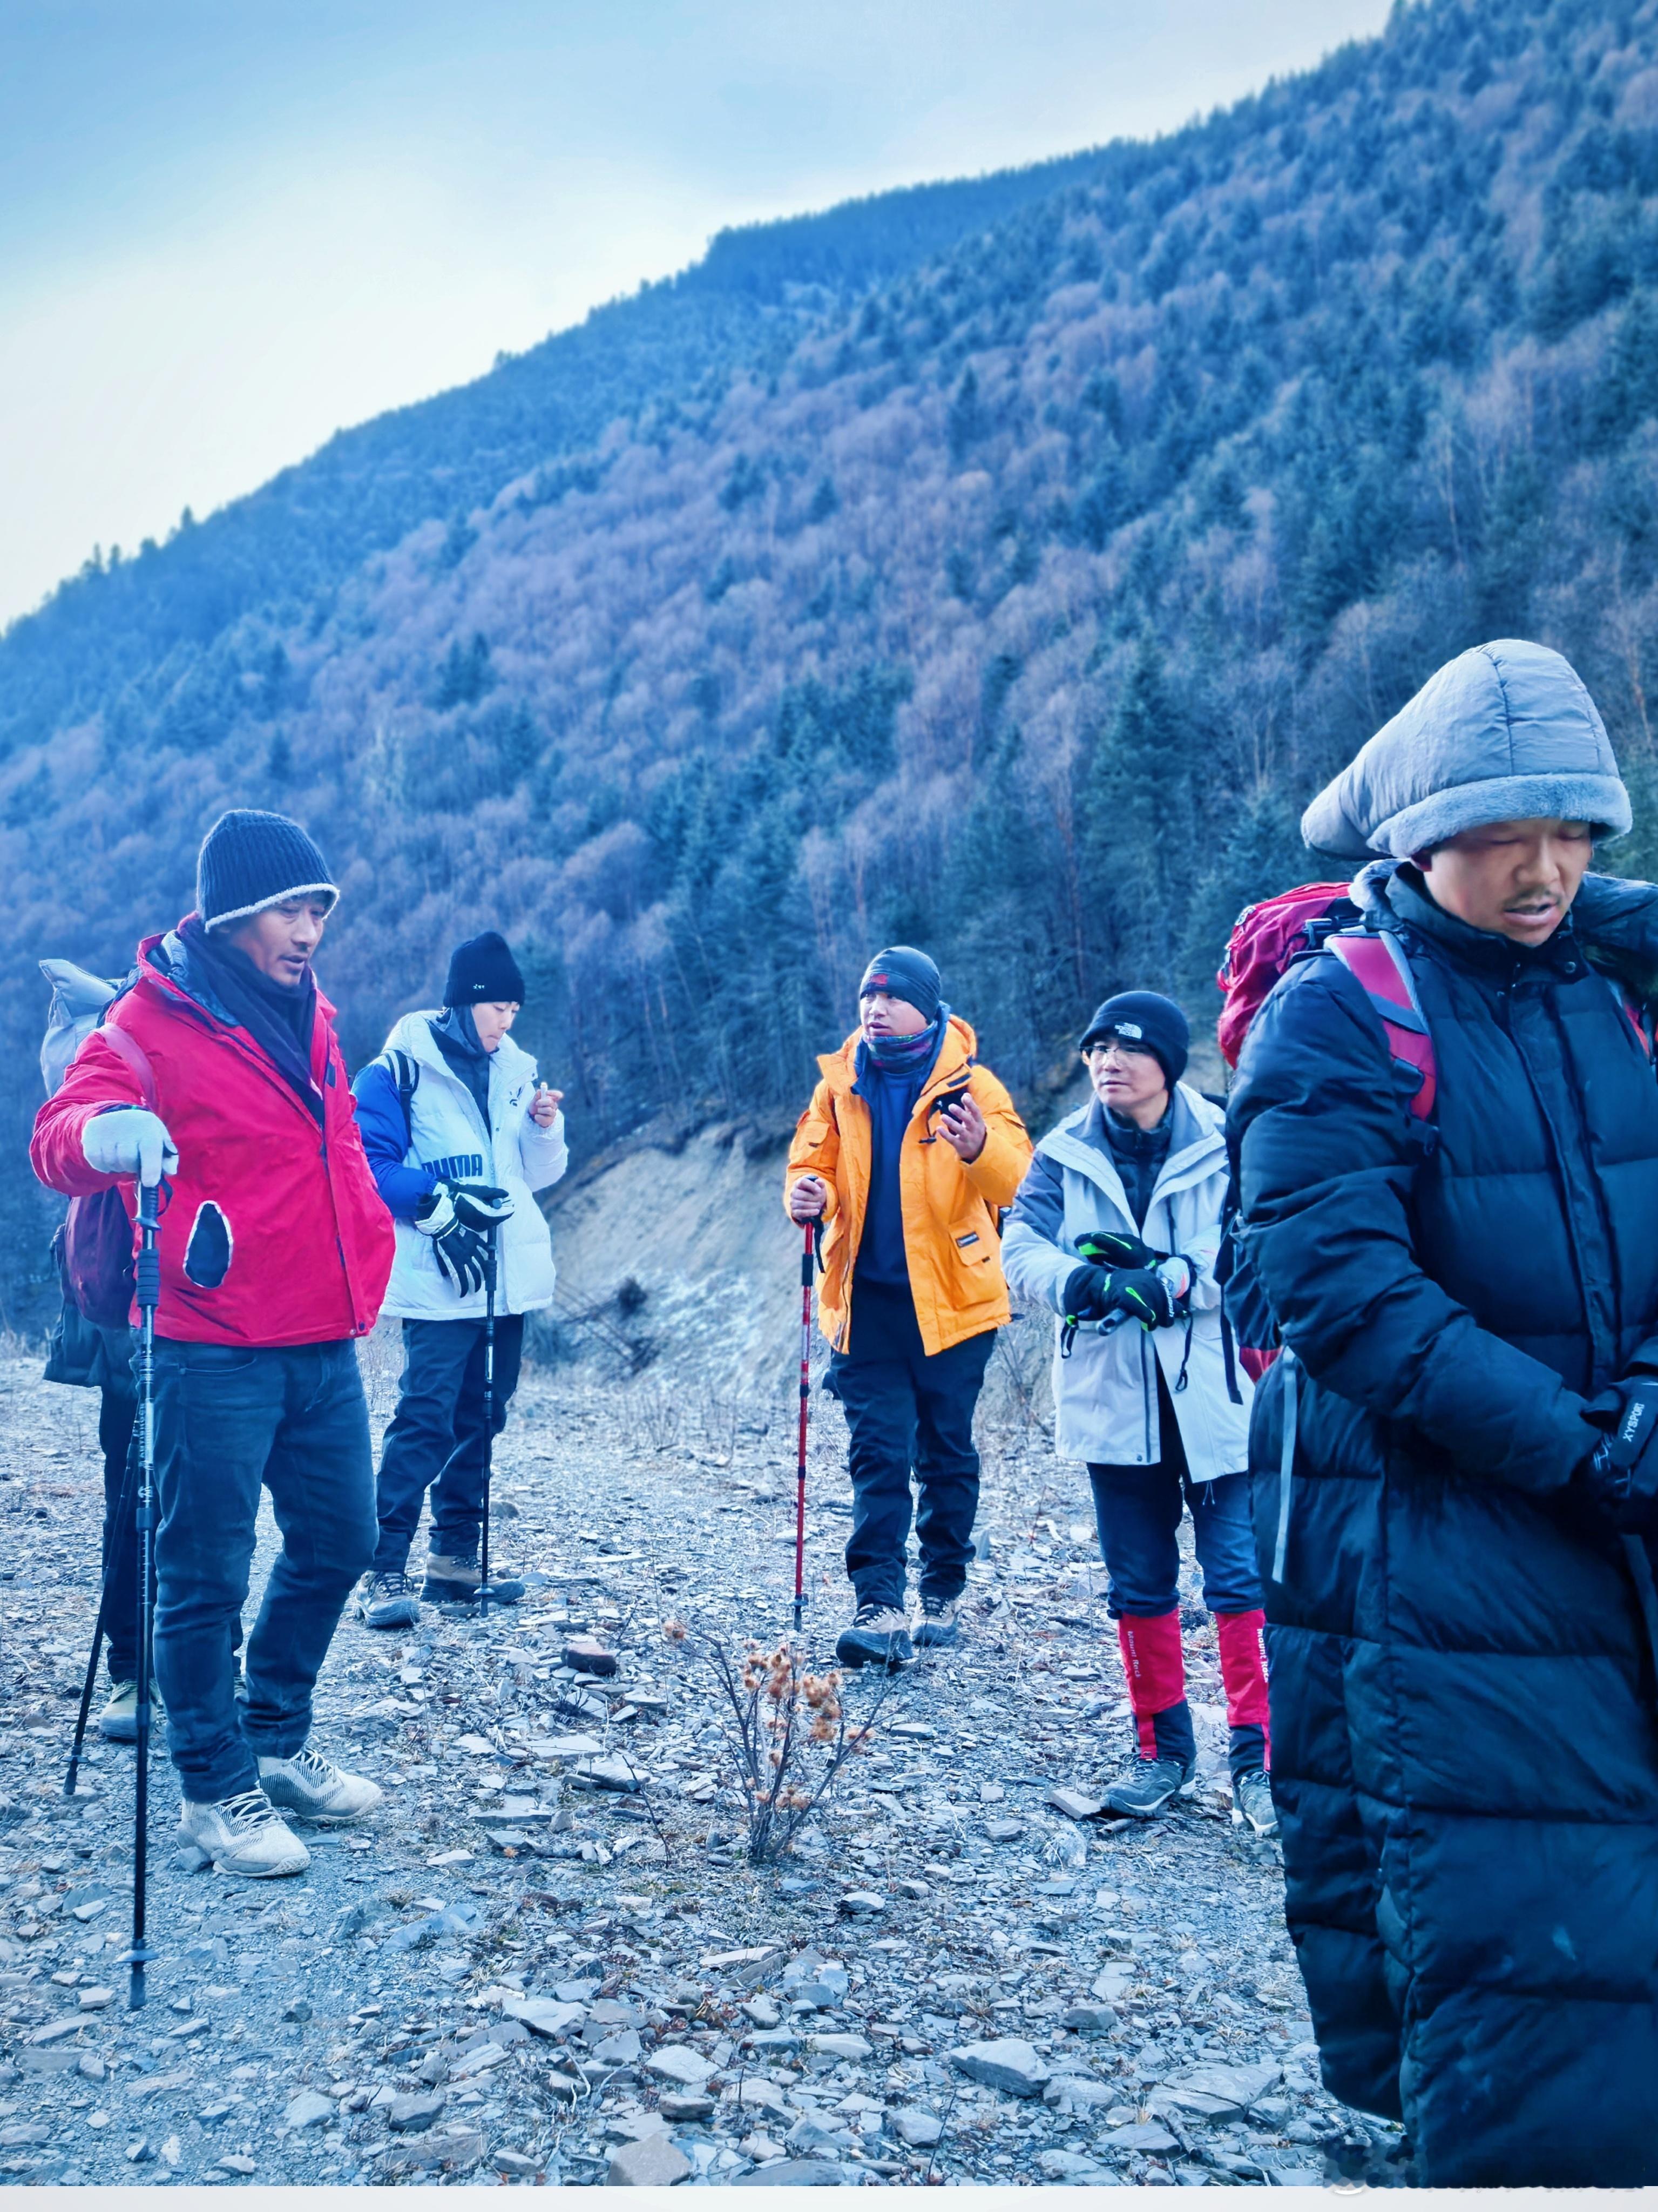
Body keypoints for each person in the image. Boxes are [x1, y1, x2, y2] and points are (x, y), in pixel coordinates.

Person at [1228, 639, 1658, 2186]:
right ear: (1417, 839)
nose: (1541, 872)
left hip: (1612, 1512)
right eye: (1500, 838)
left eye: (1570, 834)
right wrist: (1578, 1446)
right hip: (1440, 1542)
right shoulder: (1337, 1019)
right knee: (1515, 1917)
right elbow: (1335, 1287)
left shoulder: (1615, 990)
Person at [31, 809, 395, 1880]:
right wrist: (108, 1134)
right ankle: (212, 1782)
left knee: (343, 1536)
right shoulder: (150, 1019)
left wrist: (369, 1235)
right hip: (210, 1339)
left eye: (319, 906)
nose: (310, 927)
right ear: (235, 913)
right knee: (204, 1571)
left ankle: (276, 1734)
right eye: (291, 906)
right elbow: (62, 1130)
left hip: (321, 1331)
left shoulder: (310, 1011)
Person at [1003, 992, 1269, 1831]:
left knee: (1238, 1581)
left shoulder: (1227, 1137)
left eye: (1124, 1049)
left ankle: (1259, 1759)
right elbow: (1019, 1247)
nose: (1105, 1063)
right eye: (1093, 1050)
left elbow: (1263, 1247)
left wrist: (1182, 1279)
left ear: (1164, 1059)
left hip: (1218, 1397)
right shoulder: (1061, 1152)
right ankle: (1160, 1754)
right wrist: (1084, 1283)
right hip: (1113, 1397)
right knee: (1137, 1585)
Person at [784, 946, 1032, 1667]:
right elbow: (810, 1165)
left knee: (944, 1449)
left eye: (891, 997)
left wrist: (978, 1146)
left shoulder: (972, 1086)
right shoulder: (839, 1085)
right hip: (864, 1305)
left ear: (927, 1008)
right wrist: (808, 1194)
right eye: (867, 996)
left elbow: (1019, 1180)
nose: (875, 1007)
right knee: (876, 1453)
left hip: (953, 1301)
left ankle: (942, 1589)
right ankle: (879, 1602)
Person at [350, 931, 567, 1624]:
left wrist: (542, 1128)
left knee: (485, 1412)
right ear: (466, 1000)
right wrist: (437, 1207)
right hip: (439, 1276)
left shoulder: (517, 1071)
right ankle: (382, 1570)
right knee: (427, 1418)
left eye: (514, 1008)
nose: (509, 1019)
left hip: (505, 1274)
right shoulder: (396, 1070)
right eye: (500, 1005)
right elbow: (367, 1163)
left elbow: (537, 1177)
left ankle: (453, 1563)